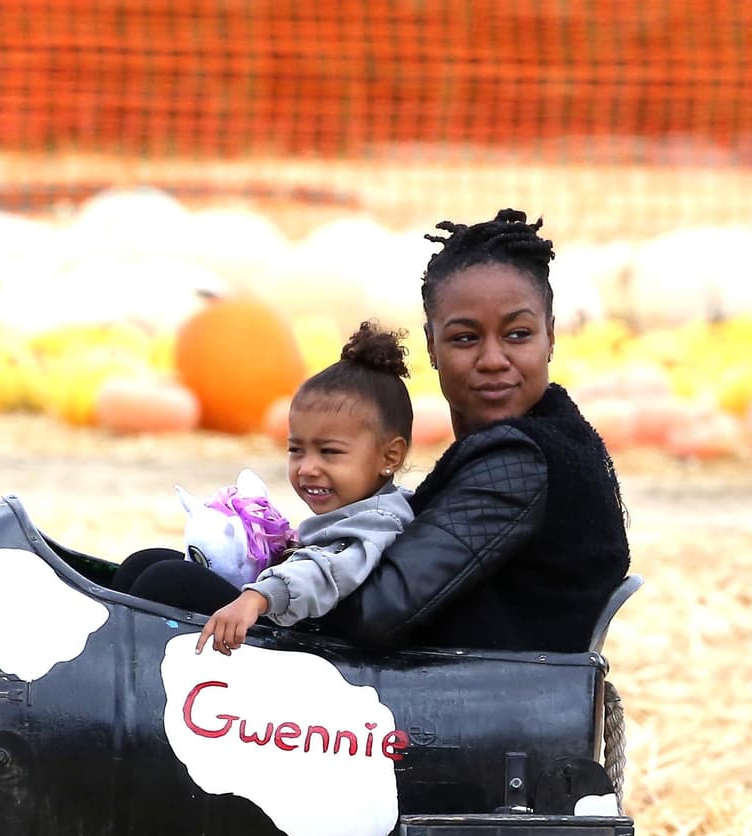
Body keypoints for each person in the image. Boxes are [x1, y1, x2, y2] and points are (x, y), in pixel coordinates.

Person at [313, 209, 630, 653]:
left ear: (551, 337)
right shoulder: (551, 433)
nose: (493, 359)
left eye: (518, 334)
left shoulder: (521, 462)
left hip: (491, 711)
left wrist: (277, 588)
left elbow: (374, 612)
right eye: (465, 338)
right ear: (431, 346)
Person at [113, 323, 416, 652]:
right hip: (289, 615)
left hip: (315, 649)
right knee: (144, 563)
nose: (307, 467)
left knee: (168, 582)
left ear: (390, 455)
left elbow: (327, 572)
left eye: (329, 452)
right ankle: (112, 648)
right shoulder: (359, 509)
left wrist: (259, 596)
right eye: (296, 450)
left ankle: (126, 666)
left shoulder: (381, 521)